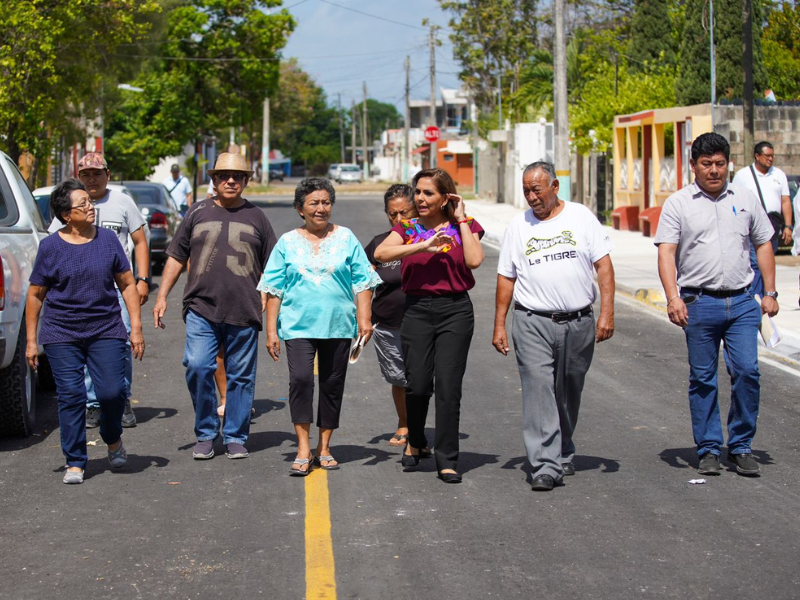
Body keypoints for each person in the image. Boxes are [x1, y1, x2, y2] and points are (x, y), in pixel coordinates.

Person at [655, 132, 778, 477]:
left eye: (720, 164)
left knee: (747, 372)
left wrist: (770, 292)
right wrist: (673, 297)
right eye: (706, 164)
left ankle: (740, 445)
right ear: (693, 166)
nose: (714, 170)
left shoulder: (745, 198)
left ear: (729, 164)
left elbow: (764, 244)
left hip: (742, 302)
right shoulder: (678, 204)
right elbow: (666, 253)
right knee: (703, 378)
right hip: (698, 303)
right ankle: (709, 447)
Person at [492, 161, 615, 491]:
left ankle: (562, 449)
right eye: (526, 191)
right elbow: (506, 277)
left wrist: (607, 313)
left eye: (537, 190)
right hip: (532, 320)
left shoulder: (581, 217)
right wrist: (499, 324)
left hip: (579, 321)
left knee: (569, 389)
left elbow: (603, 266)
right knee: (539, 389)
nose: (532, 197)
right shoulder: (518, 226)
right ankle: (545, 465)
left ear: (555, 186)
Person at [153, 152, 277, 460]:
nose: (230, 181)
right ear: (214, 180)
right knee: (197, 366)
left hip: (244, 308)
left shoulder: (258, 217)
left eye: (237, 176)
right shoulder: (197, 212)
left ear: (246, 181)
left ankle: (235, 435)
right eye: (224, 176)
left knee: (241, 376)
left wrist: (268, 295)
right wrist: (162, 295)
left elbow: (274, 266)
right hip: (201, 307)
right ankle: (206, 432)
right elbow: (176, 256)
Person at [259, 177, 382, 476]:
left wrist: (364, 319)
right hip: (297, 325)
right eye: (314, 203)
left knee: (332, 384)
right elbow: (273, 288)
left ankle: (324, 447)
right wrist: (272, 331)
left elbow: (363, 281)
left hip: (338, 325)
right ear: (300, 208)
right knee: (301, 379)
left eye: (326, 202)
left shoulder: (346, 238)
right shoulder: (287, 242)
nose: (321, 208)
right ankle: (303, 448)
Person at [25, 179, 145, 484]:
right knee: (71, 395)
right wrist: (30, 341)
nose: (90, 207)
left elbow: (127, 284)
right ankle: (75, 461)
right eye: (83, 204)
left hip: (105, 327)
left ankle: (112, 437)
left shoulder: (108, 240)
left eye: (89, 202)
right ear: (66, 215)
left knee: (112, 392)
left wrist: (136, 328)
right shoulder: (50, 247)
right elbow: (35, 294)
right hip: (61, 332)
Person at [374, 168, 485, 484]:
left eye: (428, 193)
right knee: (418, 384)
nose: (420, 199)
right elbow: (381, 253)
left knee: (449, 387)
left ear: (445, 197)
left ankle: (447, 459)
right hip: (417, 310)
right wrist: (422, 246)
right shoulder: (408, 227)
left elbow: (474, 260)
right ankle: (416, 438)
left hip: (455, 311)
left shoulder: (465, 225)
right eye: (418, 192)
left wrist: (461, 219)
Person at [48, 152, 149, 429]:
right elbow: (54, 240)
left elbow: (140, 241)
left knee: (123, 342)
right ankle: (93, 404)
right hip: (80, 290)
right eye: (86, 175)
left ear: (107, 174)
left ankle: (120, 398)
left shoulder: (122, 202)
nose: (91, 179)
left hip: (117, 288)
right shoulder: (71, 205)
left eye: (97, 174)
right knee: (85, 343)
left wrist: (142, 279)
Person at [363, 184, 419, 448]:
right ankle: (404, 423)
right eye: (392, 214)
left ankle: (419, 427)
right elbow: (364, 283)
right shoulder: (379, 244)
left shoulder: (428, 239)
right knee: (399, 378)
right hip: (387, 325)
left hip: (421, 322)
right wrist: (364, 320)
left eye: (404, 213)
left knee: (420, 379)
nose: (398, 219)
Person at [732, 141, 793, 295]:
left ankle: (766, 294)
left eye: (772, 156)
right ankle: (757, 296)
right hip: (751, 227)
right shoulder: (742, 176)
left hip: (773, 226)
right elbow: (734, 201)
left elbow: (785, 201)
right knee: (755, 263)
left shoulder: (779, 175)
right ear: (757, 156)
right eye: (767, 156)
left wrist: (788, 226)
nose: (770, 159)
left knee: (768, 262)